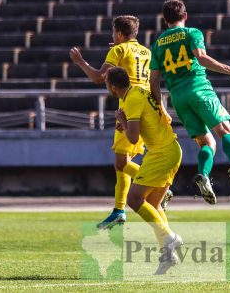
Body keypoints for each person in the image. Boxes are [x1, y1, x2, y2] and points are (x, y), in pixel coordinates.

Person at [70, 15, 172, 229]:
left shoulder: (118, 50)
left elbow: (99, 77)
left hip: (130, 107)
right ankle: (119, 210)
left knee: (121, 163)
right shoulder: (146, 51)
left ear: (118, 33)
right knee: (122, 163)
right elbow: (155, 80)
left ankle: (150, 191)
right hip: (148, 106)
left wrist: (80, 62)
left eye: (113, 32)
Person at [149, 0, 230, 205]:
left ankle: (204, 175)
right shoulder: (192, 33)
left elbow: (153, 81)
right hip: (198, 89)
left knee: (207, 143)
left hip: (178, 99)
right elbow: (202, 58)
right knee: (225, 131)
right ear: (185, 15)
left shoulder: (158, 43)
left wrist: (162, 108)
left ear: (164, 19)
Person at [106, 67, 183, 275]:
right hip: (172, 149)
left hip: (161, 153)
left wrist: (121, 120)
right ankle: (168, 255)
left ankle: (169, 238)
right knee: (153, 204)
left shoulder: (130, 100)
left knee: (134, 199)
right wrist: (125, 122)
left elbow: (132, 138)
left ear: (112, 87)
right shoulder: (139, 90)